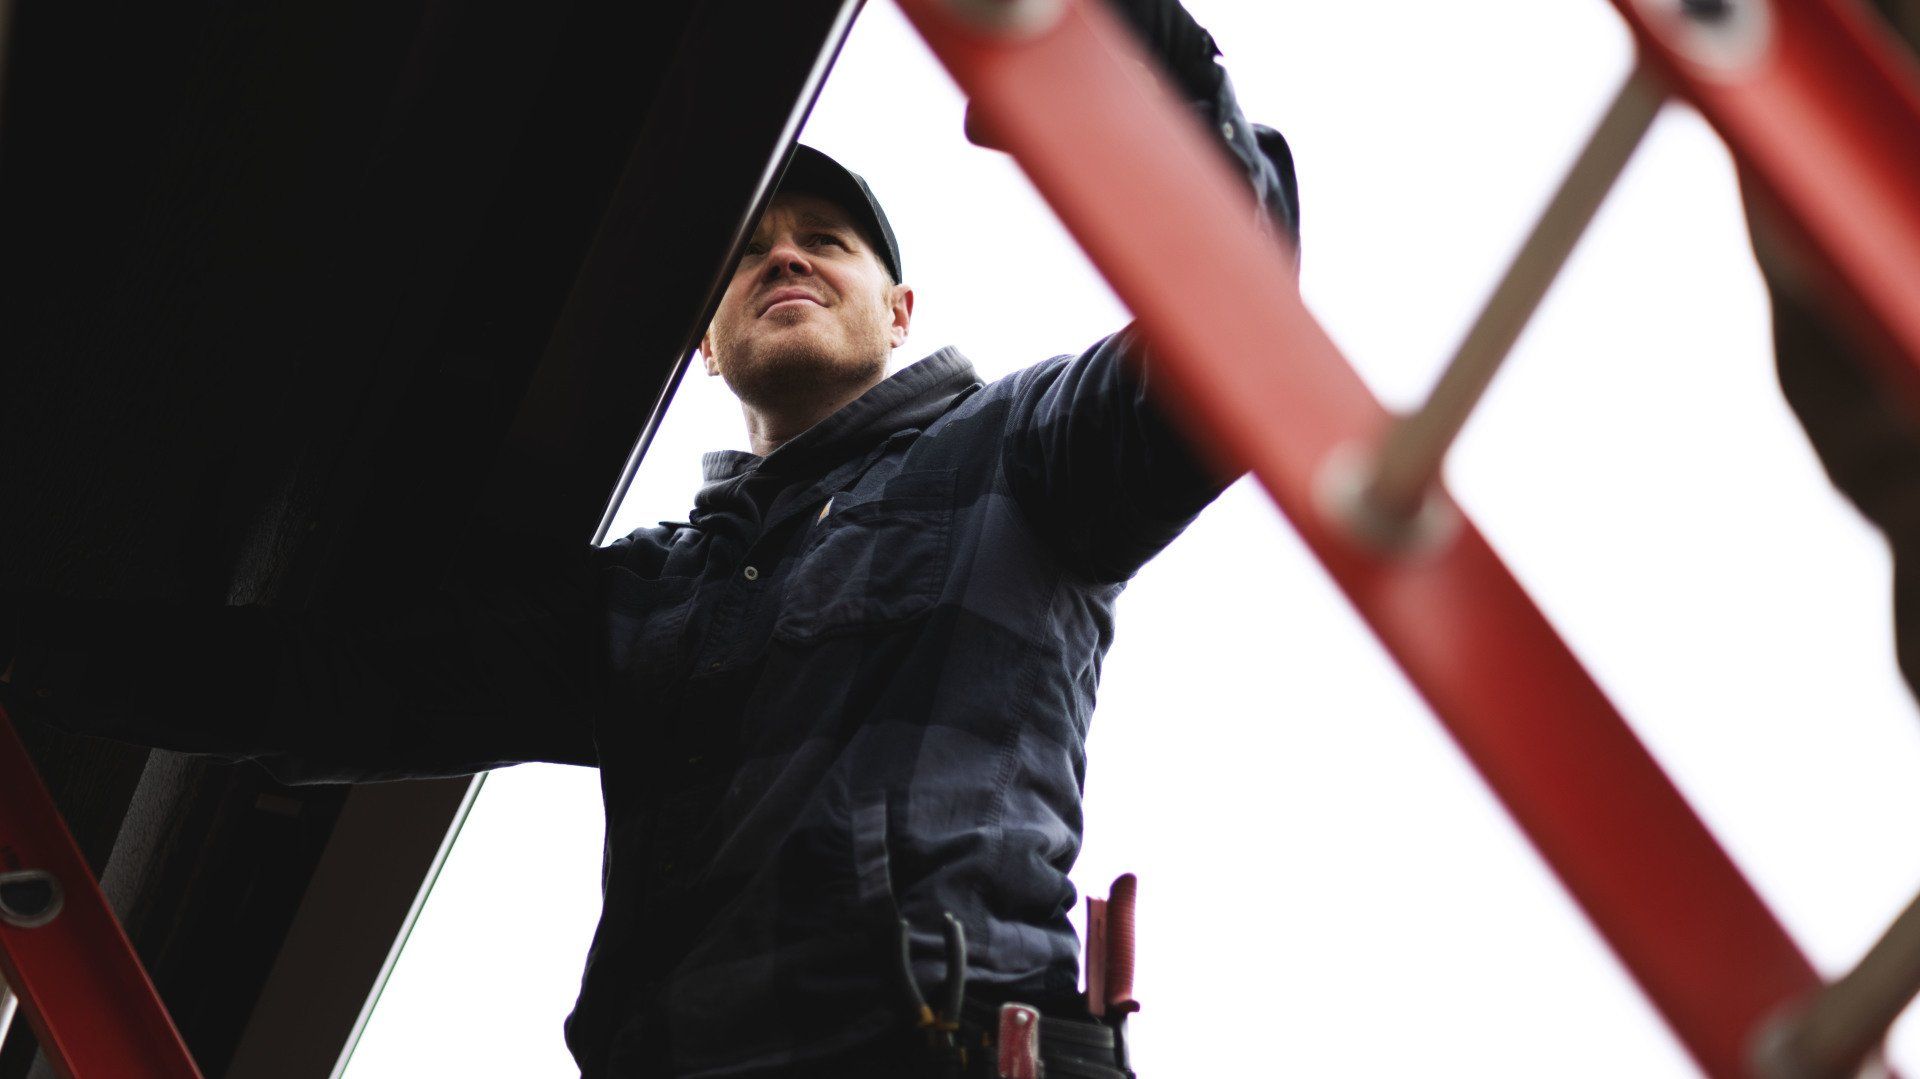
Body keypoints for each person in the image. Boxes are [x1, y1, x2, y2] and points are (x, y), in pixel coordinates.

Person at [0, 3, 1298, 1075]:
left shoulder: (1021, 455)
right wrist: (40, 652)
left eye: (828, 242)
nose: (786, 259)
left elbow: (1229, 312)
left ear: (899, 308)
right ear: (705, 341)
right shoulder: (649, 600)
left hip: (940, 1048)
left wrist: (1107, 47)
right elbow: (340, 692)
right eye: (752, 255)